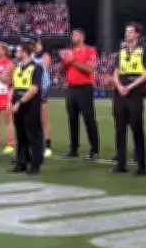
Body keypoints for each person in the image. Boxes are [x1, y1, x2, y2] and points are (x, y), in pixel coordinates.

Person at [112, 23, 146, 175]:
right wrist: (119, 85)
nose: (127, 34)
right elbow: (115, 71)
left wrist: (131, 86)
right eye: (126, 31)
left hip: (135, 92)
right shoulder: (121, 51)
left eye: (130, 31)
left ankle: (141, 166)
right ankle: (121, 163)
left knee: (137, 128)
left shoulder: (144, 51)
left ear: (137, 35)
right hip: (120, 92)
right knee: (120, 129)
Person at [60, 28, 100, 160]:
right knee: (72, 119)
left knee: (89, 119)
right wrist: (64, 60)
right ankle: (73, 148)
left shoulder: (90, 50)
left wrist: (72, 61)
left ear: (82, 37)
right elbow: (61, 71)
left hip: (85, 88)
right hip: (71, 88)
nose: (73, 36)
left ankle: (94, 149)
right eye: (72, 35)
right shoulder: (69, 52)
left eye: (75, 34)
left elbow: (89, 69)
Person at [9, 43, 45, 175]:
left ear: (24, 52)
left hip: (30, 105)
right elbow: (13, 87)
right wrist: (10, 101)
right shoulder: (17, 68)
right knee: (21, 135)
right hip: (18, 104)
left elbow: (34, 88)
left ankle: (35, 164)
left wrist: (20, 102)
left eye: (18, 51)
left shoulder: (37, 68)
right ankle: (22, 162)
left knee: (33, 135)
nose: (16, 53)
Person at [32, 38, 53, 157]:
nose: (36, 46)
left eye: (38, 44)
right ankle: (37, 143)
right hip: (33, 89)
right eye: (34, 44)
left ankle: (48, 145)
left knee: (44, 118)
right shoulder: (31, 57)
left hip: (42, 89)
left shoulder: (45, 56)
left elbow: (47, 65)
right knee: (33, 119)